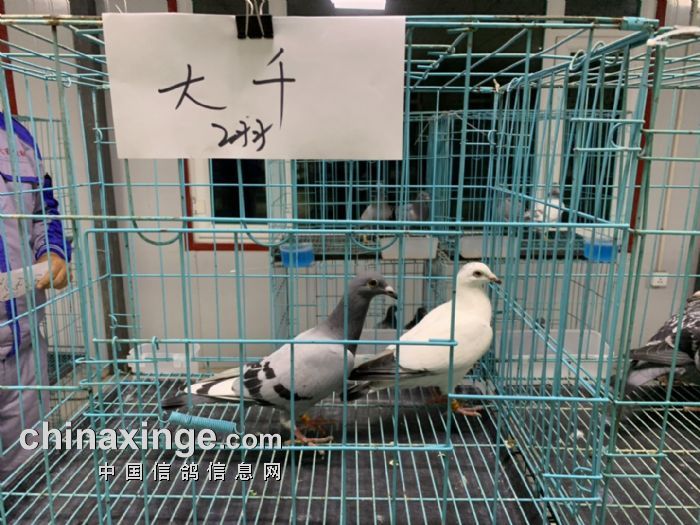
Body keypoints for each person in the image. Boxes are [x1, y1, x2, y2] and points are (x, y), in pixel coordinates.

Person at [0, 111, 71, 481]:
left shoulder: (17, 137)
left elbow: (44, 209)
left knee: (26, 472)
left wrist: (52, 253)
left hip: (23, 342)